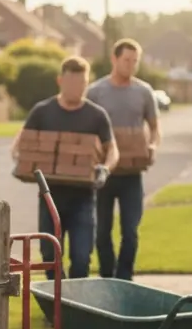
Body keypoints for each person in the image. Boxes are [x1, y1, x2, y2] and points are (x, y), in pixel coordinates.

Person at [12, 56, 119, 281]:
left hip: (84, 198)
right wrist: (21, 160)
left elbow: (112, 150)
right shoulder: (42, 111)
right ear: (60, 81)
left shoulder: (96, 115)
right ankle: (57, 307)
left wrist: (105, 169)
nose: (78, 89)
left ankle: (75, 308)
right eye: (73, 83)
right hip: (50, 197)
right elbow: (20, 143)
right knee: (50, 255)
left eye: (83, 83)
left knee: (81, 258)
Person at [87, 39, 161, 281]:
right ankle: (108, 278)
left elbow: (155, 128)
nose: (131, 65)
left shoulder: (144, 92)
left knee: (130, 231)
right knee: (102, 233)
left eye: (135, 61)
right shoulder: (96, 92)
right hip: (103, 175)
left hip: (132, 174)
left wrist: (152, 145)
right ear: (114, 59)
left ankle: (125, 278)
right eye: (127, 60)